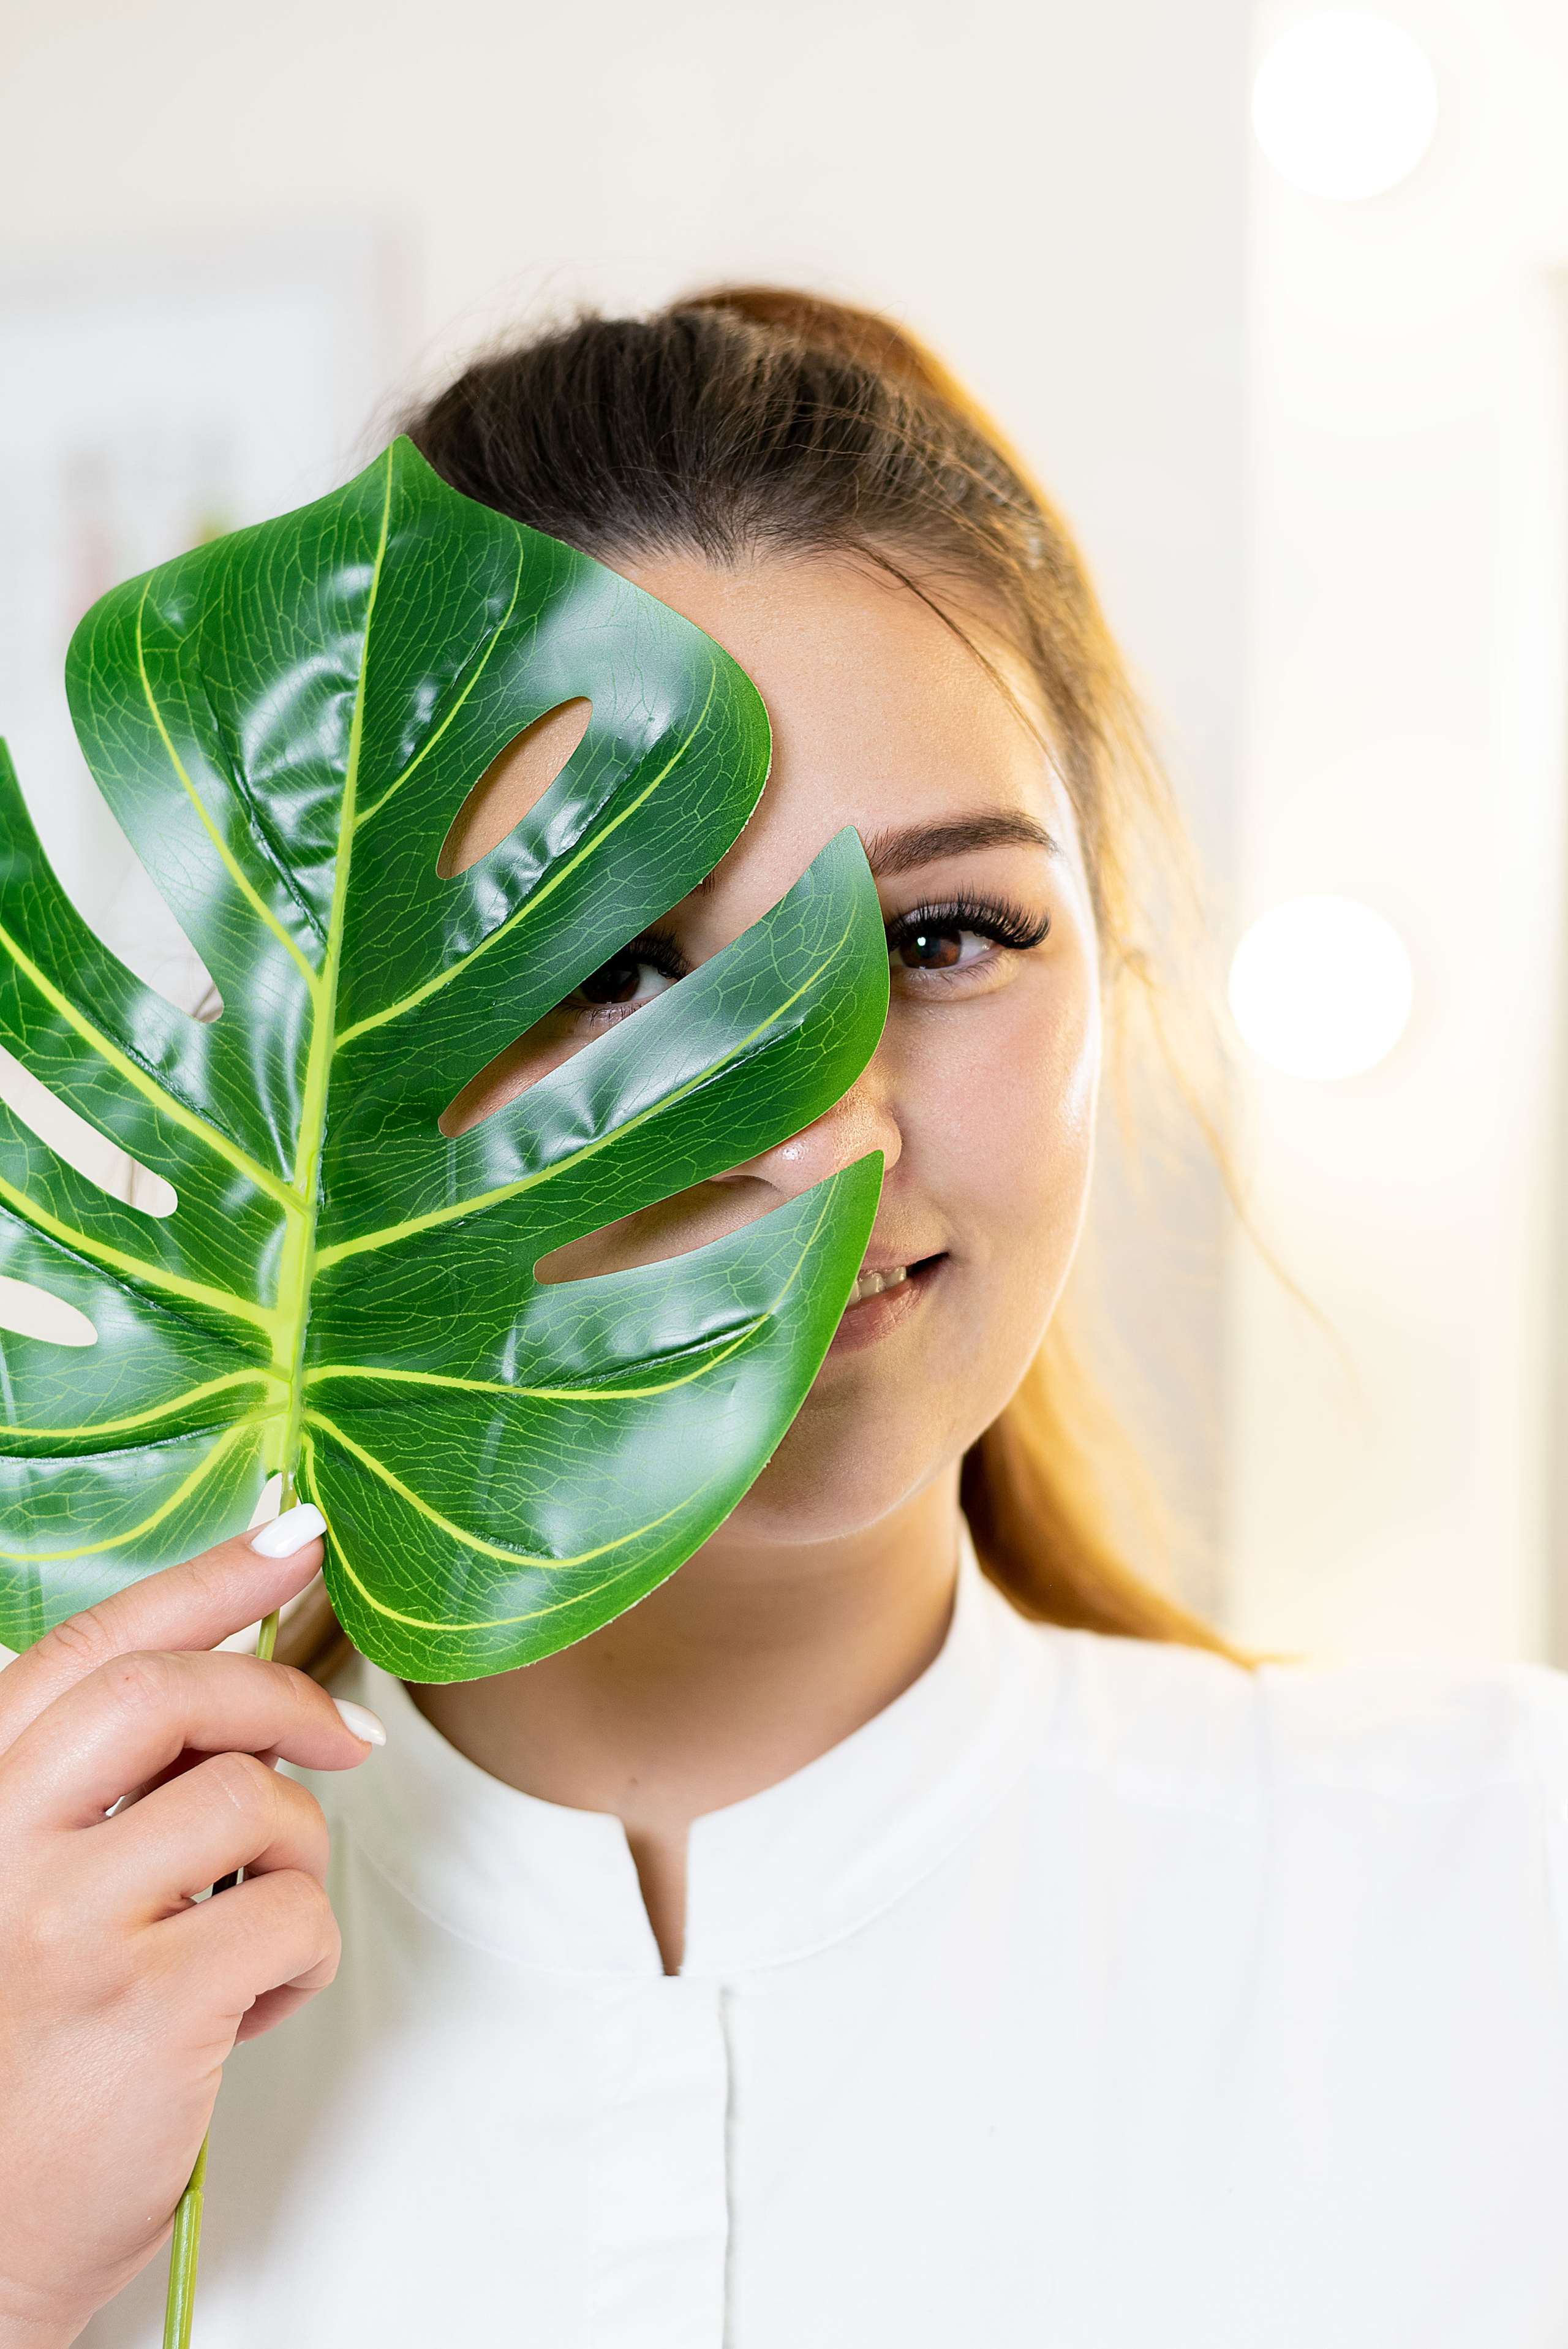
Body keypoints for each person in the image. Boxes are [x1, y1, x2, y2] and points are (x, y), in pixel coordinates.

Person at [3, 289, 1566, 2349]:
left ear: (1123, 978)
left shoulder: (1494, 1912)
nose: (819, 1133)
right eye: (623, 966)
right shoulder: (61, 1996)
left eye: (941, 935)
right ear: (340, 1058)